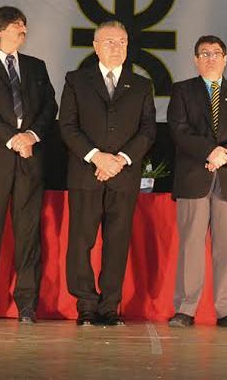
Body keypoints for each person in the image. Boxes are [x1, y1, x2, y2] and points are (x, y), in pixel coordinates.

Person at [0, 6, 58, 323]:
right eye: (18, 25)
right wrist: (13, 138)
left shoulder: (36, 67)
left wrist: (30, 135)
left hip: (30, 160)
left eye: (25, 25)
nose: (24, 30)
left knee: (28, 234)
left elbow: (49, 108)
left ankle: (27, 304)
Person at [59, 20, 156, 326]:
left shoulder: (141, 84)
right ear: (96, 46)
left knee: (117, 242)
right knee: (81, 241)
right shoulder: (76, 80)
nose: (117, 48)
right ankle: (86, 303)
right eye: (110, 42)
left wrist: (120, 160)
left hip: (123, 176)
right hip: (86, 173)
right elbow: (68, 126)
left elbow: (148, 130)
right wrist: (97, 157)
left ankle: (109, 305)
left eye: (122, 42)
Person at [166, 35, 227, 328]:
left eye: (216, 53)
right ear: (195, 59)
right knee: (190, 245)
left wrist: (225, 155)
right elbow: (178, 130)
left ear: (226, 58)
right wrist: (210, 150)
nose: (210, 58)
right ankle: (185, 309)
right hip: (194, 176)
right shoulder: (183, 91)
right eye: (204, 53)